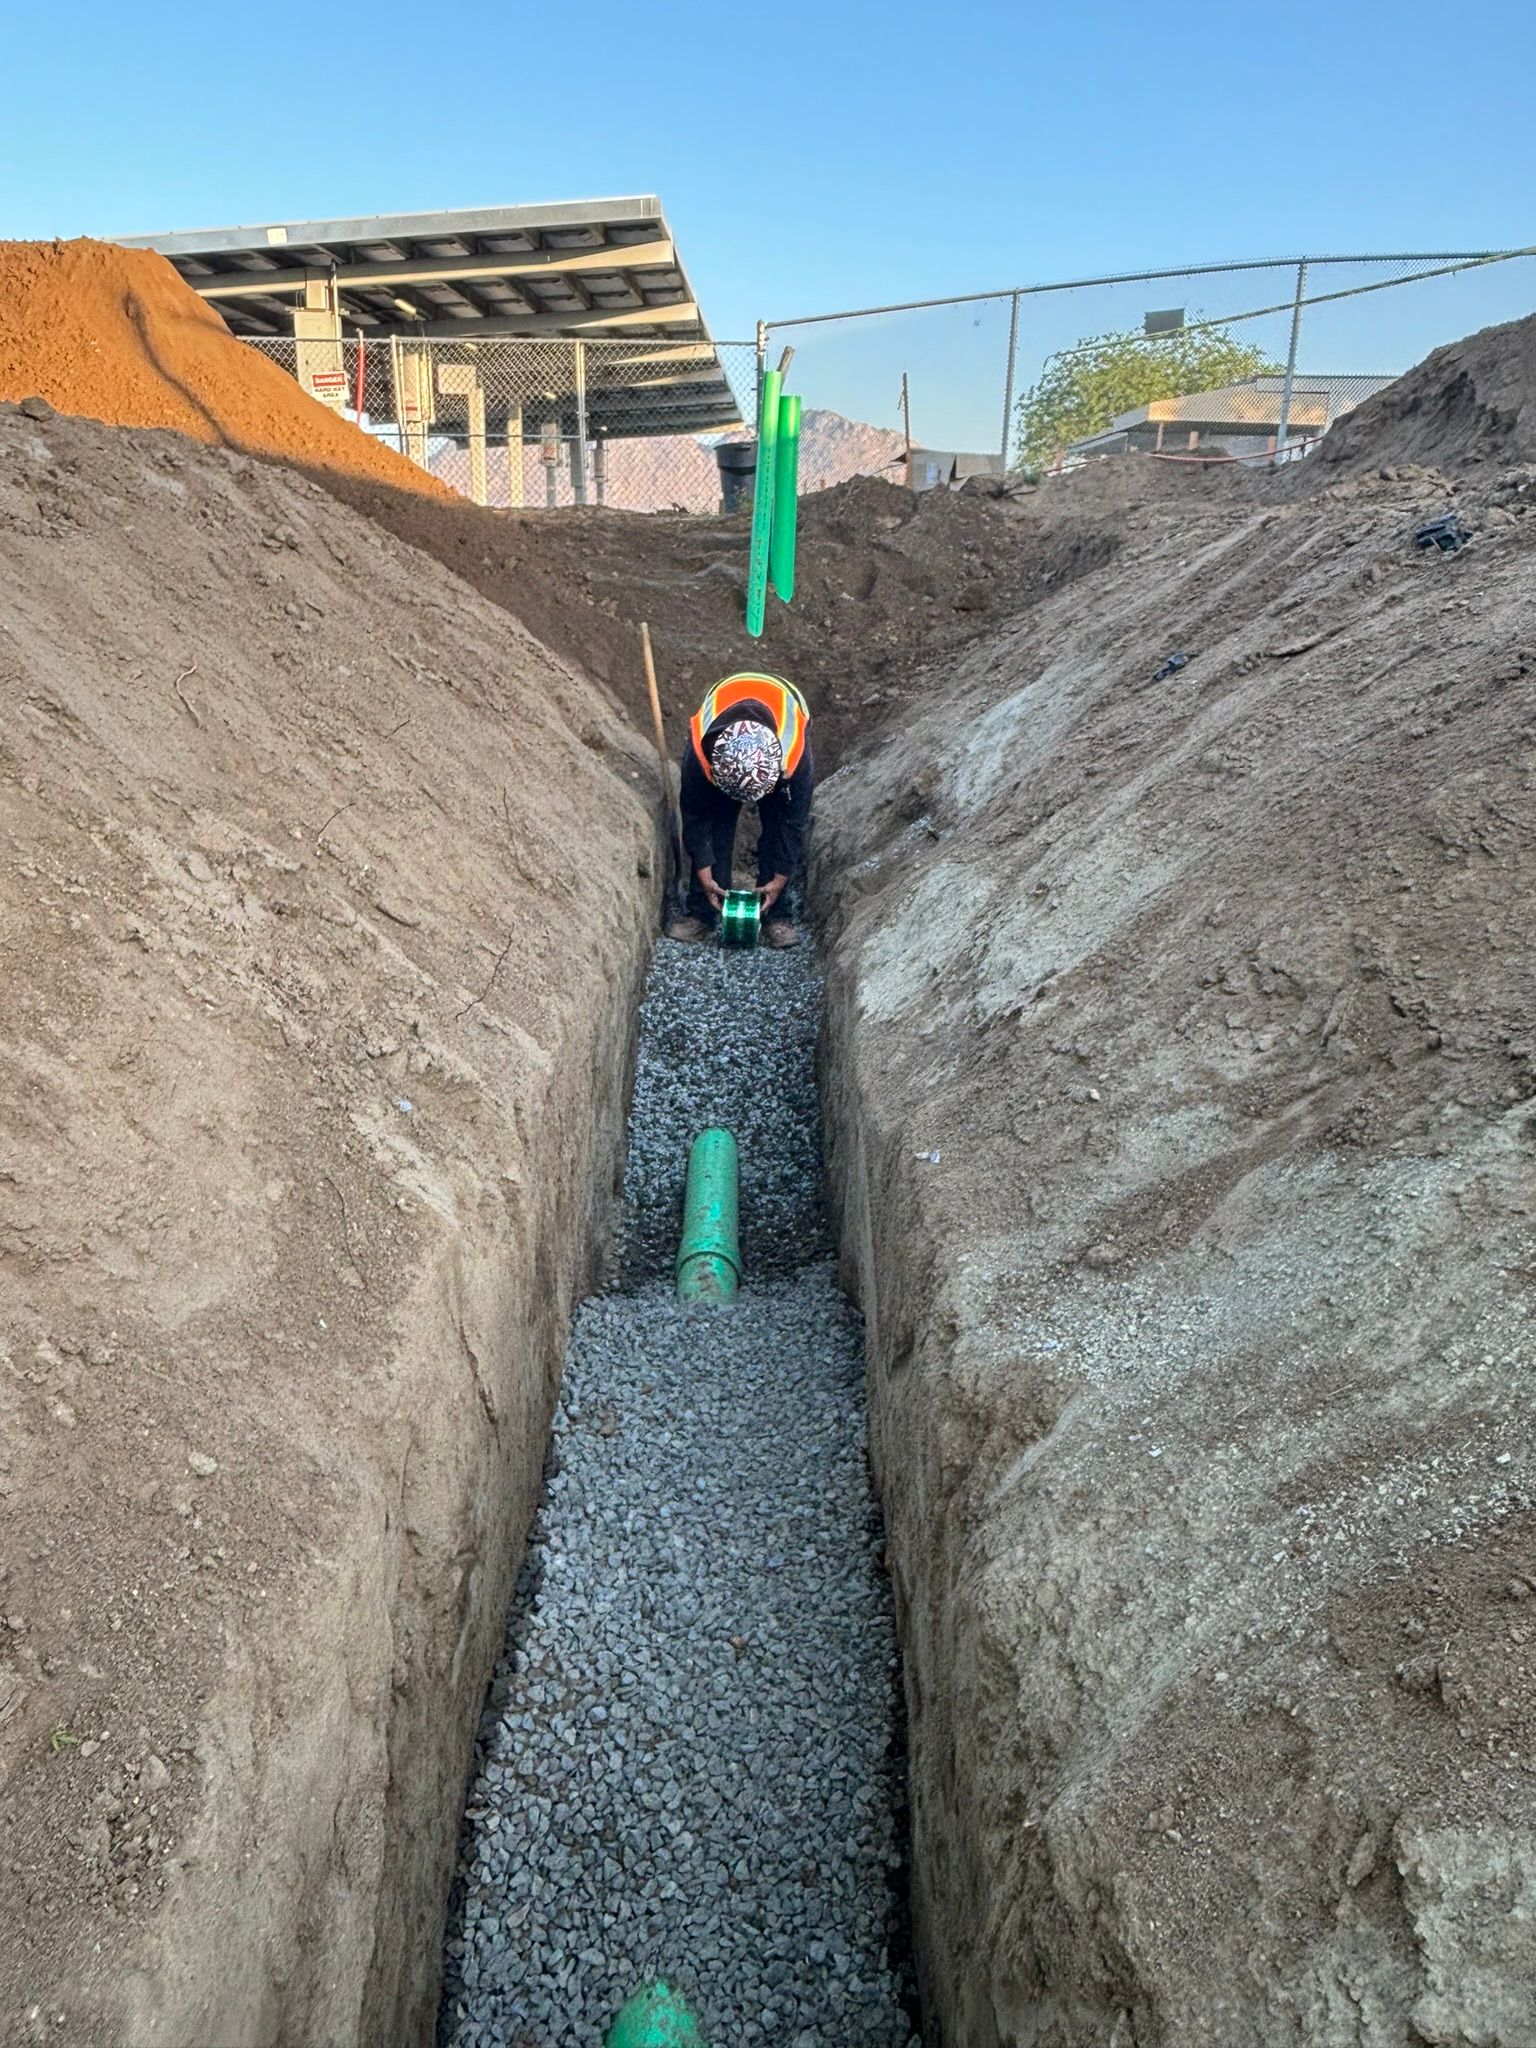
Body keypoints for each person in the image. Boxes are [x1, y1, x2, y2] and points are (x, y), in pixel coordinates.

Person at [666, 671, 813, 949]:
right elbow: (696, 815)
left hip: (784, 704)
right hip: (726, 703)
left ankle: (776, 913)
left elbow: (793, 823)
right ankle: (703, 909)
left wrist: (780, 877)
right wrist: (704, 871)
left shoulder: (793, 755)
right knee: (716, 817)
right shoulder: (701, 753)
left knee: (777, 823)